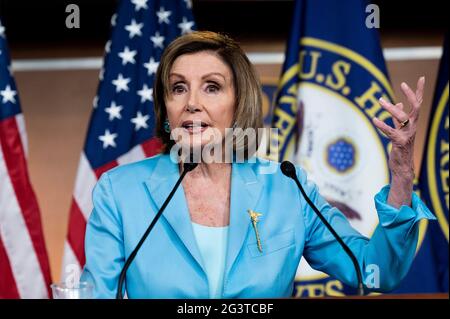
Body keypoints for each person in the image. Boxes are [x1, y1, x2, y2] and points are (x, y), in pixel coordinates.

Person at [81, 31, 435, 298]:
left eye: (211, 87)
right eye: (177, 88)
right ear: (166, 108)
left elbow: (375, 272)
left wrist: (403, 174)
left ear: (239, 104)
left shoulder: (286, 188)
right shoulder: (120, 192)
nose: (191, 103)